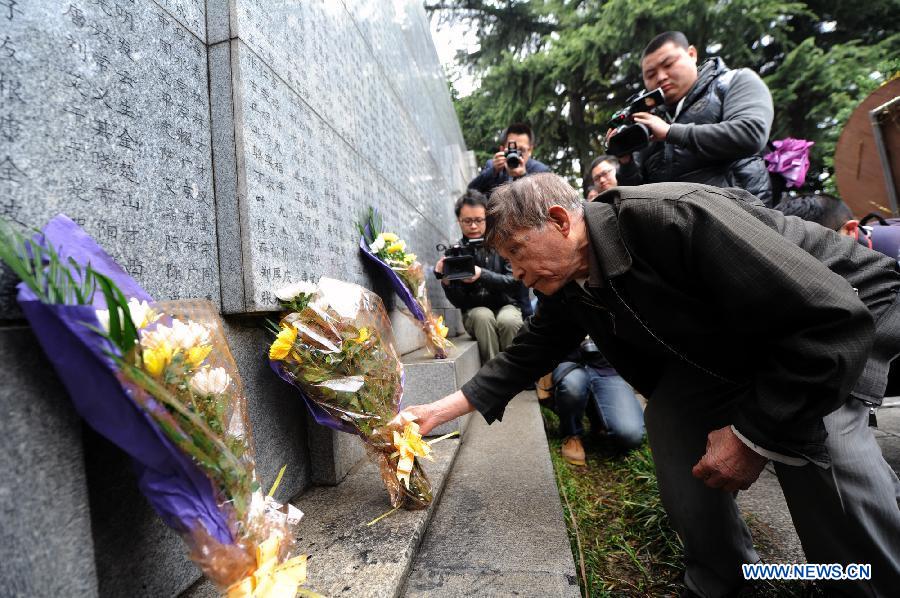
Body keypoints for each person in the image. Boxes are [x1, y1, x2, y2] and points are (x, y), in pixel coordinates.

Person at [402, 173, 900, 597]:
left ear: (558, 220)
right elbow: (525, 355)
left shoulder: (674, 217)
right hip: (731, 348)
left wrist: (752, 436)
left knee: (819, 449)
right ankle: (721, 578)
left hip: (824, 327)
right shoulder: (571, 280)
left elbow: (827, 316)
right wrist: (435, 413)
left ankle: (867, 583)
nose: (515, 273)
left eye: (515, 252)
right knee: (671, 418)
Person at [613, 31, 775, 204]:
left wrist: (670, 132)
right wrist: (626, 162)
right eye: (651, 75)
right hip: (671, 226)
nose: (661, 77)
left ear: (692, 54)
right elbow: (635, 196)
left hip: (739, 217)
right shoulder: (647, 119)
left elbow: (751, 133)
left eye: (668, 64)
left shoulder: (734, 81)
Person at [434, 190, 530, 363]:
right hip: (474, 311)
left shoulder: (502, 244)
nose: (473, 226)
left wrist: (481, 274)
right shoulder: (455, 252)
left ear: (487, 218)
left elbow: (515, 282)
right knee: (483, 317)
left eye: (478, 220)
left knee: (508, 321)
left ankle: (516, 372)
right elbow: (459, 303)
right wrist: (447, 282)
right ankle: (495, 377)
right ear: (459, 221)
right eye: (467, 221)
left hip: (506, 305)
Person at [544, 336, 644, 465]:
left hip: (608, 367)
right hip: (569, 363)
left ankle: (598, 419)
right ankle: (571, 433)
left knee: (631, 435)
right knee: (572, 385)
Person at [468, 123, 550, 196]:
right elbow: (471, 191)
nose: (516, 154)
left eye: (521, 150)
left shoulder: (540, 171)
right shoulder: (493, 166)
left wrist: (524, 176)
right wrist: (493, 171)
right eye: (512, 150)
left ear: (530, 150)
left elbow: (543, 202)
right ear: (502, 149)